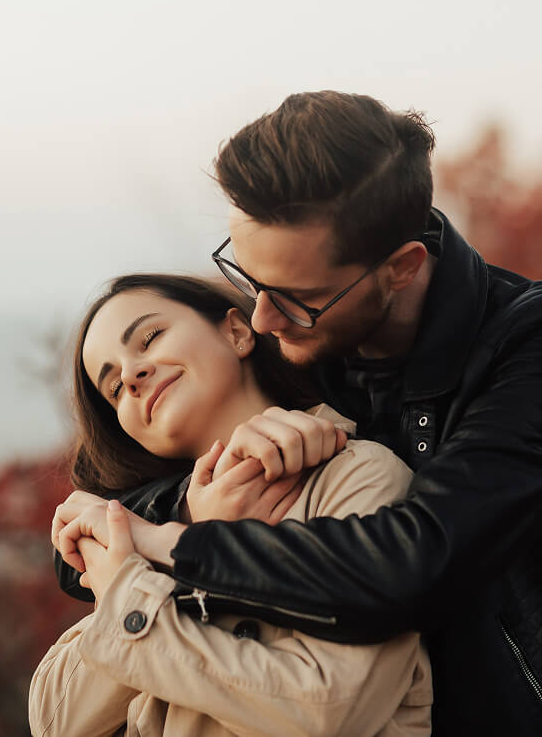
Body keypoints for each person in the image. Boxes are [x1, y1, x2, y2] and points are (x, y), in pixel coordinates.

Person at [54, 92, 542, 737]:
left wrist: (170, 544)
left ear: (401, 268)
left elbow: (422, 560)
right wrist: (187, 512)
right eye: (246, 278)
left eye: (297, 298)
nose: (263, 319)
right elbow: (91, 535)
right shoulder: (291, 324)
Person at [31, 274, 432, 736]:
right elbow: (53, 720)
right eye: (114, 388)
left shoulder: (359, 476)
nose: (131, 375)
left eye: (150, 337)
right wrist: (183, 540)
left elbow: (330, 708)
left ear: (237, 332)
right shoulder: (144, 537)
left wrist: (176, 559)